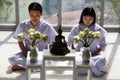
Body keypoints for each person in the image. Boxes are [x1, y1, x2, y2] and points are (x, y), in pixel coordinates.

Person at [8, 2, 57, 73]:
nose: (34, 17)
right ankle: (35, 67)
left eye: (37, 15)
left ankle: (26, 67)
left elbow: (53, 42)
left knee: (51, 62)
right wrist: (26, 54)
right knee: (11, 59)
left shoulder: (47, 26)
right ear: (29, 14)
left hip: (41, 54)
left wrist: (49, 55)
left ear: (41, 14)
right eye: (32, 15)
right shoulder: (23, 25)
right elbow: (20, 41)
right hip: (27, 53)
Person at [68, 7, 107, 76]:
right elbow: (70, 43)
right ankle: (90, 69)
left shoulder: (98, 29)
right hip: (79, 55)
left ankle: (83, 69)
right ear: (82, 17)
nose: (87, 21)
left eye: (90, 19)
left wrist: (96, 53)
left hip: (93, 56)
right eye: (85, 19)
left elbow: (103, 45)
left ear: (94, 19)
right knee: (70, 61)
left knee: (102, 59)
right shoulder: (76, 28)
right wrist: (75, 53)